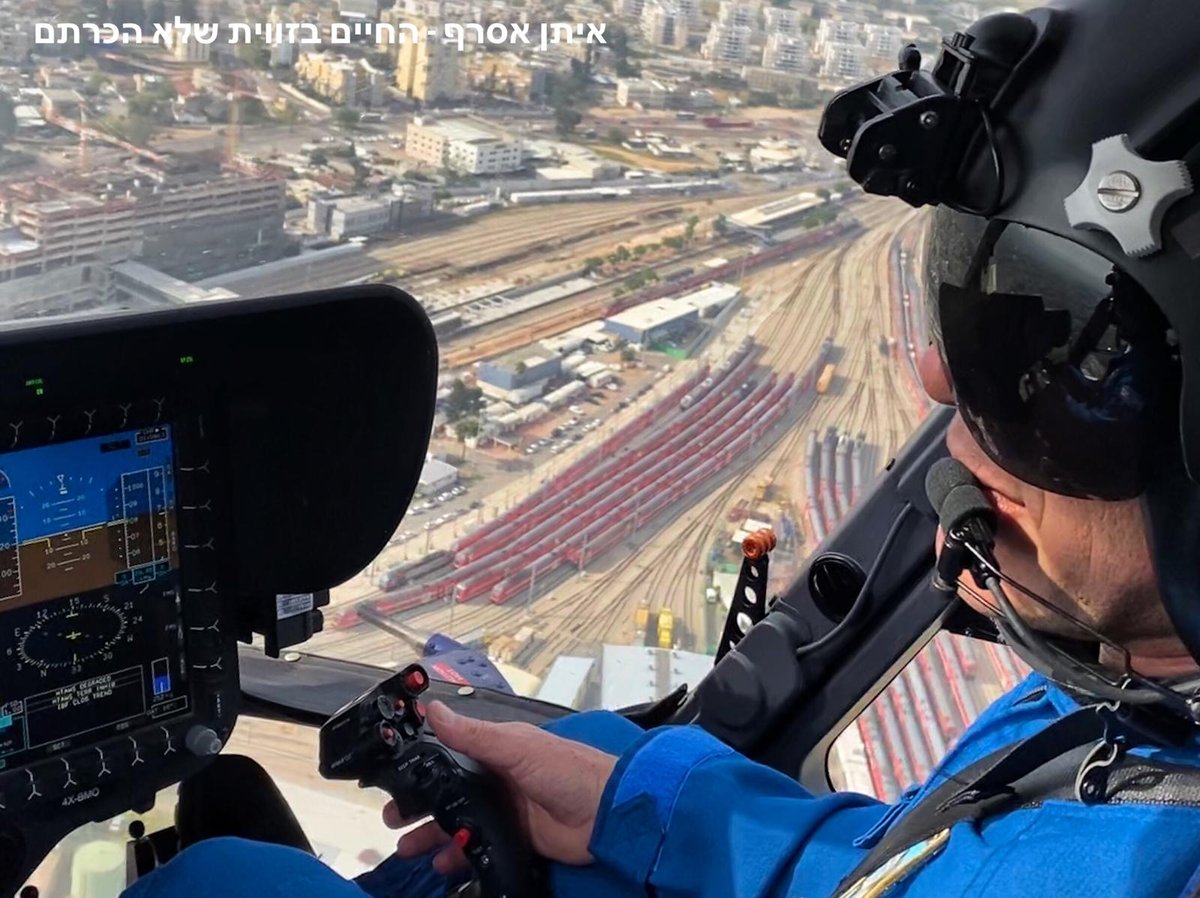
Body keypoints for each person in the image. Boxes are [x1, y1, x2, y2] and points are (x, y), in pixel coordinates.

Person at [125, 1, 1200, 896]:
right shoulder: (1113, 704)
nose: (939, 389)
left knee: (219, 876)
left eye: (1053, 363)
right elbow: (903, 871)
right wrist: (629, 799)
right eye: (970, 306)